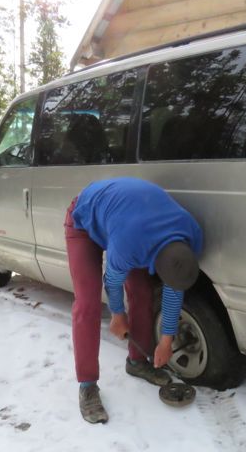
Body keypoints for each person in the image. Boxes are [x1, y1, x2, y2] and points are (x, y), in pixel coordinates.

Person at [64, 177, 203, 424]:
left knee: (142, 292)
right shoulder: (129, 246)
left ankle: (137, 362)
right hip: (85, 218)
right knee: (88, 303)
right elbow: (112, 282)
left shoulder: (192, 236)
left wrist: (166, 341)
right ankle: (87, 385)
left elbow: (174, 288)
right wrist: (118, 315)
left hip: (127, 220)